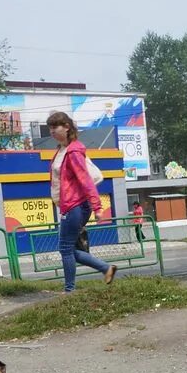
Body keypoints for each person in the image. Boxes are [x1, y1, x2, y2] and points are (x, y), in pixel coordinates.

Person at [47, 111, 116, 292]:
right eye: (50, 128)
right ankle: (105, 268)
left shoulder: (74, 151)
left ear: (67, 127)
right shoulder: (62, 150)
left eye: (55, 127)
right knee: (67, 249)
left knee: (65, 248)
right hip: (70, 205)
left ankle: (70, 290)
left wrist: (97, 207)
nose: (52, 131)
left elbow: (85, 180)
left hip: (75, 205)